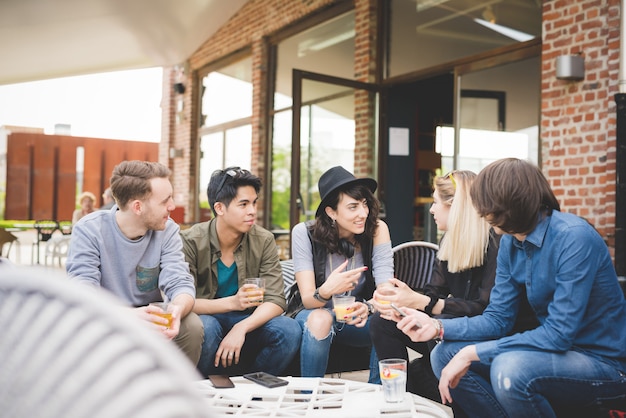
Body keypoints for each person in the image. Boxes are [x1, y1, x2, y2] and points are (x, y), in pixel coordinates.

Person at [394, 158, 626, 418]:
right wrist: (437, 327)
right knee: (445, 354)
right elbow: (497, 319)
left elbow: (559, 334)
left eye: (485, 203)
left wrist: (474, 351)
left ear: (508, 203)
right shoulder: (509, 243)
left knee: (510, 368)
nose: (480, 211)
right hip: (552, 354)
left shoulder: (574, 237)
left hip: (602, 364)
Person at [369, 170, 500, 407]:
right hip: (448, 326)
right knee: (383, 321)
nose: (431, 209)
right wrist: (403, 302)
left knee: (437, 330)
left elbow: (484, 309)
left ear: (455, 206)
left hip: (479, 332)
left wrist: (424, 304)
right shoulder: (448, 241)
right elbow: (433, 292)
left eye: (435, 202)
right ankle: (400, 402)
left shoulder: (495, 244)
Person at [66, 160, 203, 366]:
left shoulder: (168, 230)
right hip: (105, 319)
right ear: (137, 207)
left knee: (191, 324)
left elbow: (180, 281)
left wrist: (176, 309)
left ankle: (169, 392)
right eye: (165, 200)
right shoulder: (90, 230)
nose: (172, 206)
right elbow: (83, 294)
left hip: (152, 318)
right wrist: (129, 317)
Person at [180, 167, 301, 377]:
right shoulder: (191, 241)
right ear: (219, 208)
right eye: (243, 204)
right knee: (205, 327)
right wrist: (232, 303)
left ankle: (251, 386)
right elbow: (182, 300)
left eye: (254, 203)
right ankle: (208, 393)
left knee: (289, 330)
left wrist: (241, 328)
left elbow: (275, 299)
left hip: (248, 320)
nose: (252, 210)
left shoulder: (263, 240)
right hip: (209, 318)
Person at [286, 166, 394, 383]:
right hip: (314, 313)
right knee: (320, 319)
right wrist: (327, 289)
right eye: (353, 207)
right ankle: (310, 398)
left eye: (364, 204)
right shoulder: (304, 233)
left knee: (388, 318)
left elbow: (386, 290)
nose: (362, 213)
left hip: (357, 314)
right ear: (331, 212)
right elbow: (307, 300)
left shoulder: (377, 229)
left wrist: (369, 306)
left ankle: (377, 398)